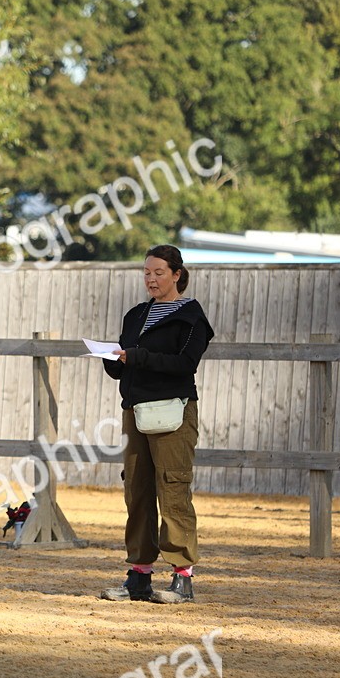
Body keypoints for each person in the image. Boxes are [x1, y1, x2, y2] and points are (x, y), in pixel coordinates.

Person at [100, 244, 214, 604]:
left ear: (177, 274)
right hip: (135, 410)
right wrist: (113, 360)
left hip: (173, 413)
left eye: (158, 272)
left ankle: (182, 578)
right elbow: (126, 360)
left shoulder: (192, 318)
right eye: (147, 272)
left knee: (173, 490)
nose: (151, 278)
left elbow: (184, 364)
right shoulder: (135, 315)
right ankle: (139, 575)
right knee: (137, 490)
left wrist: (137, 356)